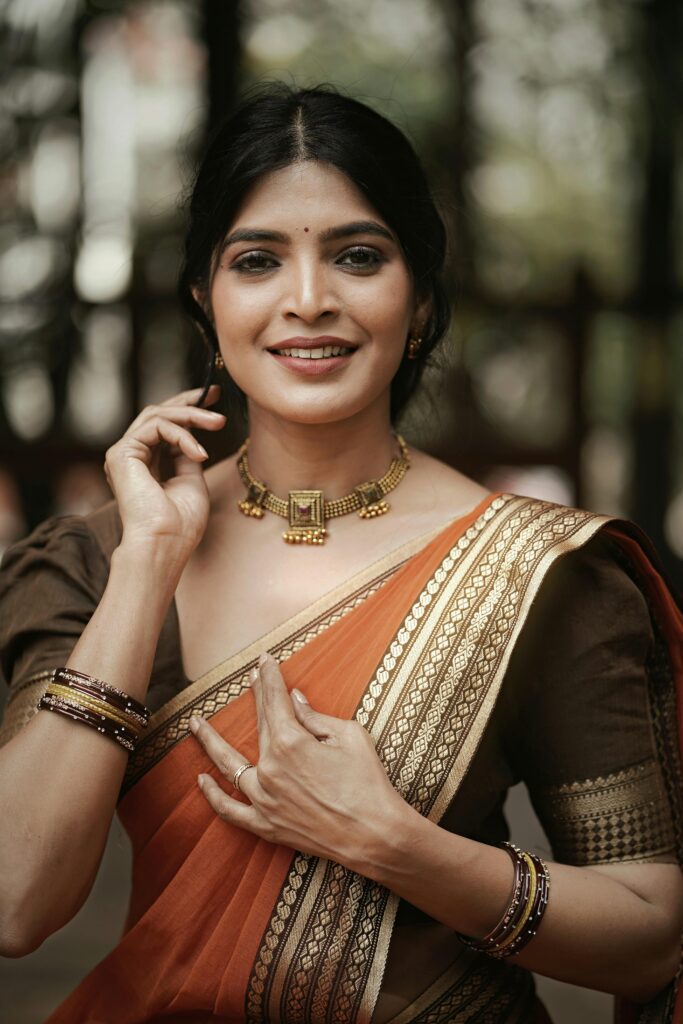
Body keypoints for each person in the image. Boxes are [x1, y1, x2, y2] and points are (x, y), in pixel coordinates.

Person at [0, 83, 681, 1024]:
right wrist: (149, 561)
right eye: (257, 260)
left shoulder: (536, 571)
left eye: (358, 257)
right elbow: (16, 903)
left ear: (421, 295)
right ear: (206, 296)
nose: (309, 301)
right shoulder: (94, 559)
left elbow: (652, 931)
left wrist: (395, 843)